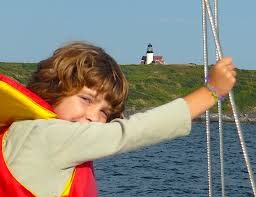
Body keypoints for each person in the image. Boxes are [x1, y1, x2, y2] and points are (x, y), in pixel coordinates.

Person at [0, 42, 236, 197]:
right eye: (86, 98)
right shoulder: (46, 136)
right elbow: (129, 133)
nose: (94, 116)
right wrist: (210, 93)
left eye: (105, 112)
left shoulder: (23, 132)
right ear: (52, 89)